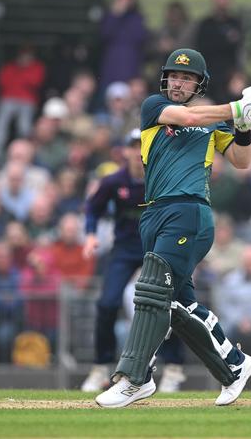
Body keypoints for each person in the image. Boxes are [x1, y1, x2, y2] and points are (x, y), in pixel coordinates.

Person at [95, 48, 251, 408]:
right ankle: (234, 366)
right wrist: (237, 108)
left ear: (198, 83)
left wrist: (245, 127)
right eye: (174, 75)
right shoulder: (154, 107)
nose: (178, 82)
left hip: (189, 210)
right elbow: (188, 117)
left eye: (186, 78)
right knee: (177, 303)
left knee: (150, 290)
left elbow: (241, 160)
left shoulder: (213, 121)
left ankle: (134, 377)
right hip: (154, 213)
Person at [80, 130, 185, 393]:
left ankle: (173, 368)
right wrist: (91, 235)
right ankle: (101, 366)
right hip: (125, 249)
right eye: (133, 147)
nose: (138, 153)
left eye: (143, 146)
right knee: (107, 303)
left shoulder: (162, 179)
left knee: (170, 304)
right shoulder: (114, 181)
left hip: (158, 248)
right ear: (124, 152)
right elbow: (93, 208)